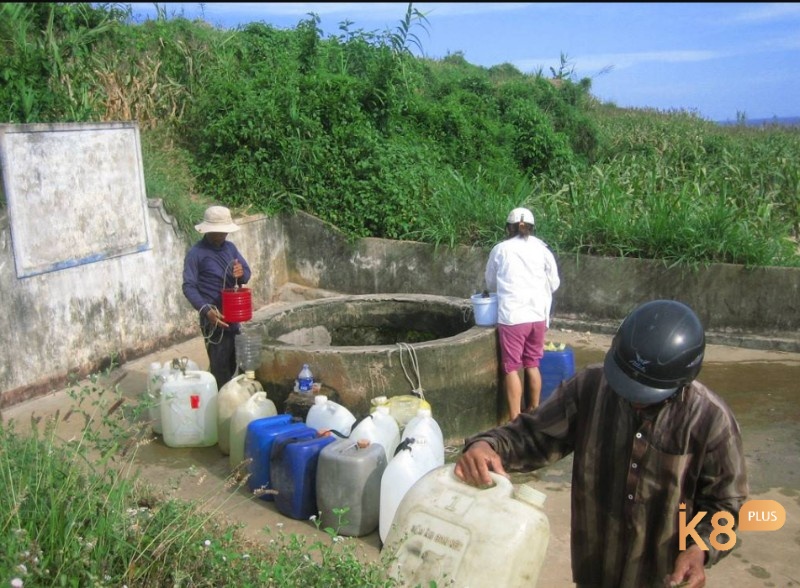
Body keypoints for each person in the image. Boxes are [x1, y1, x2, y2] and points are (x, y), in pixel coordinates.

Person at [455, 299, 748, 588]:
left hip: (662, 577)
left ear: (681, 381)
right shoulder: (590, 388)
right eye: (626, 385)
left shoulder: (711, 420)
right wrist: (487, 445)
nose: (633, 400)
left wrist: (701, 548)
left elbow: (726, 506)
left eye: (645, 395)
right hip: (595, 569)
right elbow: (533, 436)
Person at [484, 206, 560, 420]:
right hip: (537, 316)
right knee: (532, 363)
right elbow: (554, 283)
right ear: (531, 228)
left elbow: (490, 282)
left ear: (509, 228)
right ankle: (534, 411)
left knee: (511, 368)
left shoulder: (501, 249)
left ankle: (516, 419)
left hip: (513, 317)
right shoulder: (543, 249)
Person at [182, 205, 252, 390]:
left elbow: (246, 273)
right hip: (214, 320)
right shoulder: (196, 254)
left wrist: (241, 273)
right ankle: (221, 407)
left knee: (240, 365)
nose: (222, 236)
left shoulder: (230, 248)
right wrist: (206, 311)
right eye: (218, 232)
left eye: (224, 232)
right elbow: (188, 286)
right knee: (220, 369)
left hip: (233, 315)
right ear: (208, 230)